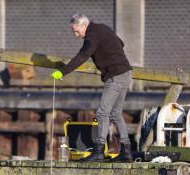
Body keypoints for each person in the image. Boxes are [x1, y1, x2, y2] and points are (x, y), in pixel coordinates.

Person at [51, 14, 133, 162]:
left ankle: (99, 152)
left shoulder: (92, 35)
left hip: (115, 77)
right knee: (116, 113)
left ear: (84, 25)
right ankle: (126, 153)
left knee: (102, 113)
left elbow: (82, 56)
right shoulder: (104, 28)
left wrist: (63, 72)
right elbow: (120, 43)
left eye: (76, 31)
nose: (76, 35)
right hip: (126, 74)